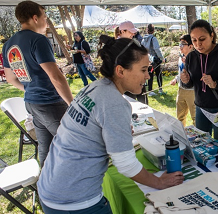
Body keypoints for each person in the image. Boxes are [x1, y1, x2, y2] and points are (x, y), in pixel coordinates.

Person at [37, 35, 184, 213]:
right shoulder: (115, 102)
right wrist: (159, 182)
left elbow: (86, 132)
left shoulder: (93, 87)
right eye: (143, 69)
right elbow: (126, 164)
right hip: (74, 200)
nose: (148, 75)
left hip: (51, 187)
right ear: (120, 71)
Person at [1, 0, 73, 167]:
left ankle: (46, 186)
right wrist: (72, 103)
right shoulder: (38, 40)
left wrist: (29, 87)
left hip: (31, 103)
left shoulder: (8, 44)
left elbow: (11, 79)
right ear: (35, 18)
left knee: (45, 148)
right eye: (45, 17)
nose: (46, 22)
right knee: (74, 142)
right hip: (50, 103)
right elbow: (55, 76)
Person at [180, 19, 218, 144]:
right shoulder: (191, 56)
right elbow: (192, 83)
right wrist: (186, 80)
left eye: (202, 39)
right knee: (201, 142)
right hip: (201, 107)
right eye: (194, 40)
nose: (198, 44)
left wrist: (215, 84)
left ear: (212, 35)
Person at [115, 20, 148, 104]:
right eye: (131, 32)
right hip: (125, 81)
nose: (133, 34)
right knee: (130, 106)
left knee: (144, 105)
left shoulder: (132, 43)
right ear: (122, 31)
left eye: (134, 32)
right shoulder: (115, 46)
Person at [170, 34, 195, 127]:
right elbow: (181, 73)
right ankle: (182, 135)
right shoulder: (181, 58)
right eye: (179, 44)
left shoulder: (195, 59)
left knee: (195, 118)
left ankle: (197, 138)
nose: (180, 47)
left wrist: (188, 64)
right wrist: (176, 79)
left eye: (183, 44)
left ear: (190, 46)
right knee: (180, 117)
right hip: (181, 90)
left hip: (192, 92)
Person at [142, 24, 165, 96]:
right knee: (158, 74)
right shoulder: (153, 39)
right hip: (155, 60)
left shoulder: (143, 39)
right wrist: (162, 58)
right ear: (153, 30)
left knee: (150, 74)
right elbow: (157, 49)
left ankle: (150, 90)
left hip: (147, 59)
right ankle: (160, 89)